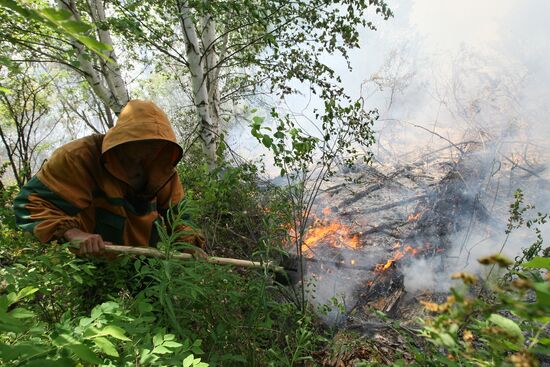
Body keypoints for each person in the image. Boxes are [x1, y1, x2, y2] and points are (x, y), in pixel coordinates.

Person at [13, 99, 205, 256]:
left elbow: (179, 215)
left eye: (158, 143)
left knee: (154, 303)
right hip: (96, 260)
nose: (152, 150)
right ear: (123, 137)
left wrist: (189, 244)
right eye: (145, 141)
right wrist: (73, 233)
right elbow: (31, 204)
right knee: (97, 303)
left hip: (146, 260)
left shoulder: (160, 167)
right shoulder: (79, 158)